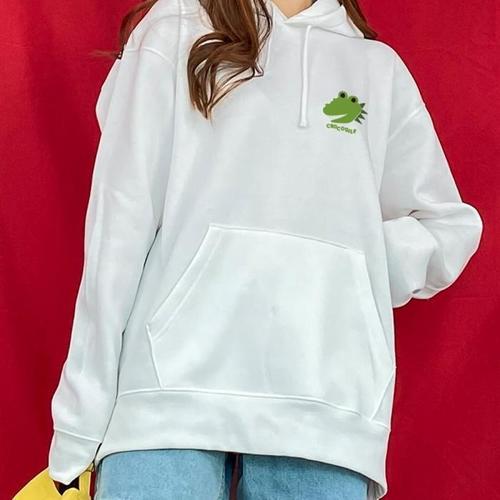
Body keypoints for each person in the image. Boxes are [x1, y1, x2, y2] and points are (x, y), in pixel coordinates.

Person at [47, 0, 483, 498]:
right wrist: (79, 421)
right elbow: (117, 227)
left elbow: (448, 226)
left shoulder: (375, 68)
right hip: (166, 394)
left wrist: (348, 269)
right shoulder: (175, 29)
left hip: (325, 405)